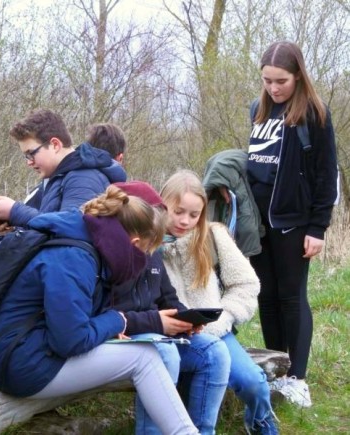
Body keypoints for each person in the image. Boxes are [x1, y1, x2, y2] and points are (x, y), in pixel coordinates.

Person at [0, 184, 198, 434]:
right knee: (144, 357)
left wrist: (110, 325)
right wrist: (117, 320)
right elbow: (71, 340)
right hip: (21, 363)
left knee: (144, 355)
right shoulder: (74, 257)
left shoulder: (88, 243)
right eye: (147, 252)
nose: (146, 260)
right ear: (135, 243)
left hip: (33, 350)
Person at [247, 41, 338, 408]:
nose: (274, 87)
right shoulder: (258, 110)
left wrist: (318, 227)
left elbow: (324, 174)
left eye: (281, 80)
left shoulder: (314, 114)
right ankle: (275, 370)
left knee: (292, 297)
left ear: (297, 75)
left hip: (294, 223)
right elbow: (255, 163)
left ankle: (297, 379)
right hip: (259, 224)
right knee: (266, 298)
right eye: (267, 80)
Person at [159, 170, 278, 434]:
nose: (185, 221)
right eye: (178, 211)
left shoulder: (212, 235)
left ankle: (261, 423)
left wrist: (223, 318)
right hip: (168, 335)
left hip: (215, 331)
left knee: (252, 382)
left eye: (194, 214)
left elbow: (246, 283)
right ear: (162, 203)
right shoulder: (147, 241)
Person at [109, 181, 230, 435]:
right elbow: (104, 317)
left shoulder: (152, 252)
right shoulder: (109, 254)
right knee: (165, 353)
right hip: (123, 339)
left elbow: (168, 298)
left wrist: (188, 318)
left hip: (155, 332)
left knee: (214, 351)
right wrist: (157, 322)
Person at [0, 109, 126, 228]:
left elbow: (76, 227)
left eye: (31, 154)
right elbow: (49, 233)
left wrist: (15, 212)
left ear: (55, 145)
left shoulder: (84, 177)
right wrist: (14, 228)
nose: (29, 162)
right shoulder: (58, 178)